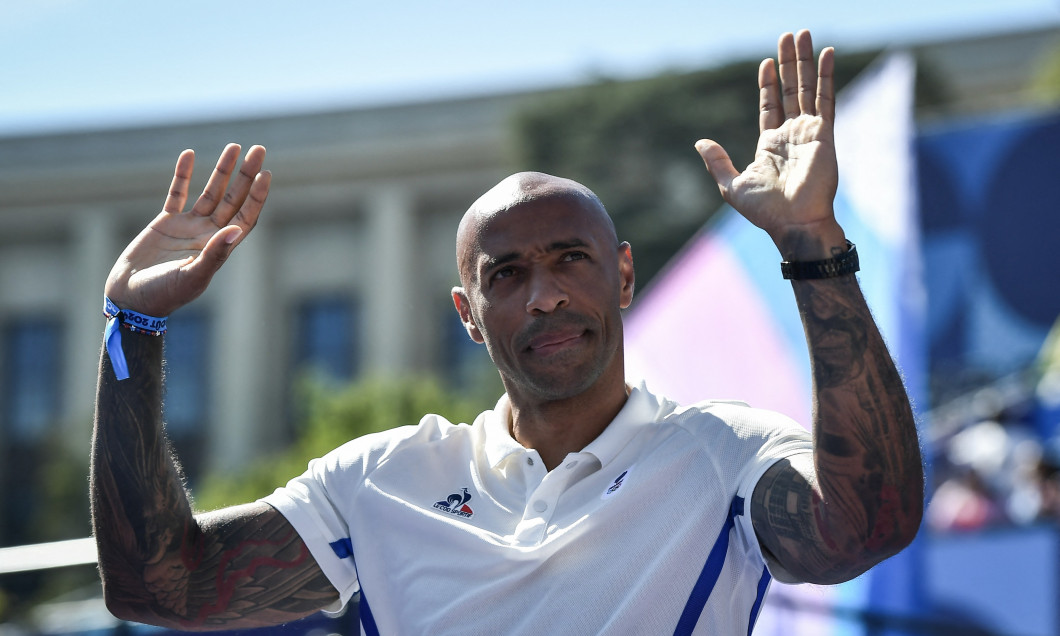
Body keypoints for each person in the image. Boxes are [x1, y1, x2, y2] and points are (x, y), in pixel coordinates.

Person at [91, 30, 923, 634]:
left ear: (623, 276)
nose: (546, 296)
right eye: (508, 275)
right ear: (469, 316)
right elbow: (159, 587)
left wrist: (812, 244)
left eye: (571, 260)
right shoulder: (380, 479)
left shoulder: (723, 453)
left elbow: (868, 524)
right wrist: (136, 322)